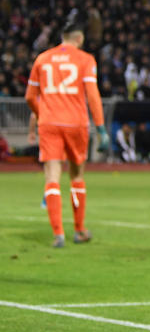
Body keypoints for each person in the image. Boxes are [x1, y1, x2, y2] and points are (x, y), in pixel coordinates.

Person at [24, 14, 110, 247]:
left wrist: (43, 115)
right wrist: (101, 128)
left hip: (50, 124)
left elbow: (30, 97)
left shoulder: (42, 59)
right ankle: (80, 230)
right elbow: (92, 95)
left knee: (52, 177)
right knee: (77, 177)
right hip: (76, 124)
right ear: (80, 39)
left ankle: (58, 234)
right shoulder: (85, 60)